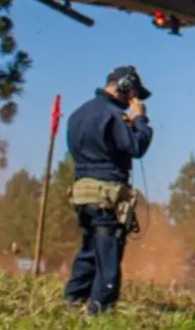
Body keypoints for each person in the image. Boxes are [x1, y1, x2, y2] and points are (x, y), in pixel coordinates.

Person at [63, 65, 154, 314]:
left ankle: (72, 302)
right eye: (134, 94)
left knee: (89, 251)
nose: (134, 100)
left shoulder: (78, 114)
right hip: (107, 196)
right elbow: (137, 147)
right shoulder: (113, 116)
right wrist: (140, 120)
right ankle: (99, 313)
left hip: (82, 193)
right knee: (108, 261)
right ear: (125, 86)